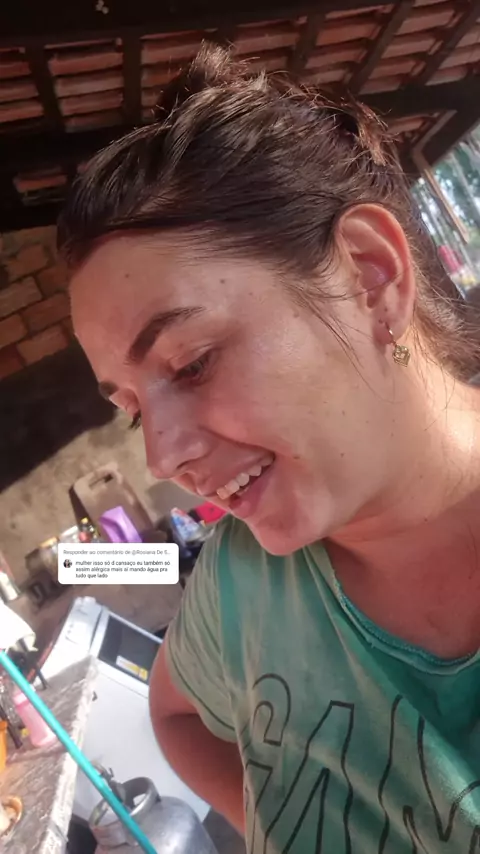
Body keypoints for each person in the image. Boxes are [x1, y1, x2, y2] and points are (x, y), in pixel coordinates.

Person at [59, 45, 480, 853]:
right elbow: (175, 712)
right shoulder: (240, 583)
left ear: (369, 276)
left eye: (192, 363)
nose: (162, 459)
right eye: (131, 410)